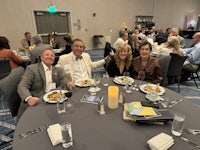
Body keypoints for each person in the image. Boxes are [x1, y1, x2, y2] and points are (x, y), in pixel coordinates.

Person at [17, 49, 75, 117]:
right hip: (38, 102)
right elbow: (22, 86)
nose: (49, 57)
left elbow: (64, 78)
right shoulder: (32, 69)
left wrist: (68, 83)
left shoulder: (57, 69)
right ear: (41, 58)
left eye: (52, 55)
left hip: (52, 100)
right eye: (47, 55)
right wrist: (29, 98)